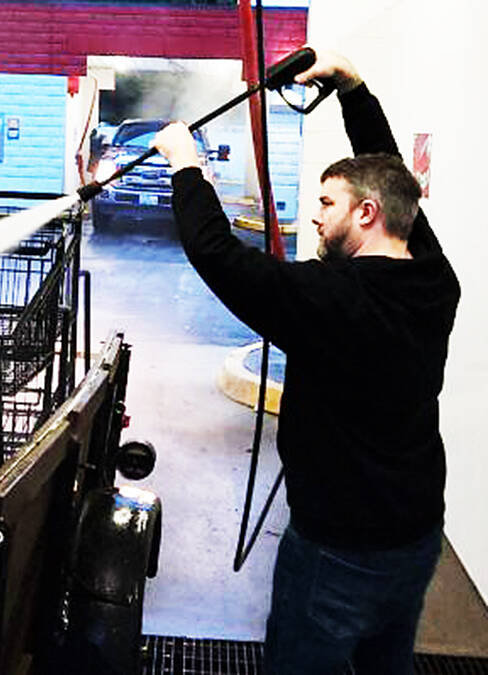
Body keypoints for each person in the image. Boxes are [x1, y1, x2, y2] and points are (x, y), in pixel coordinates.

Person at [151, 49, 460, 674]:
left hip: (335, 551)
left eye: (326, 203)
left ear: (364, 215)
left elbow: (218, 255)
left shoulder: (328, 298)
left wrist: (187, 167)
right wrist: (353, 88)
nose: (314, 217)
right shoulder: (434, 277)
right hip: (417, 538)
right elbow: (394, 182)